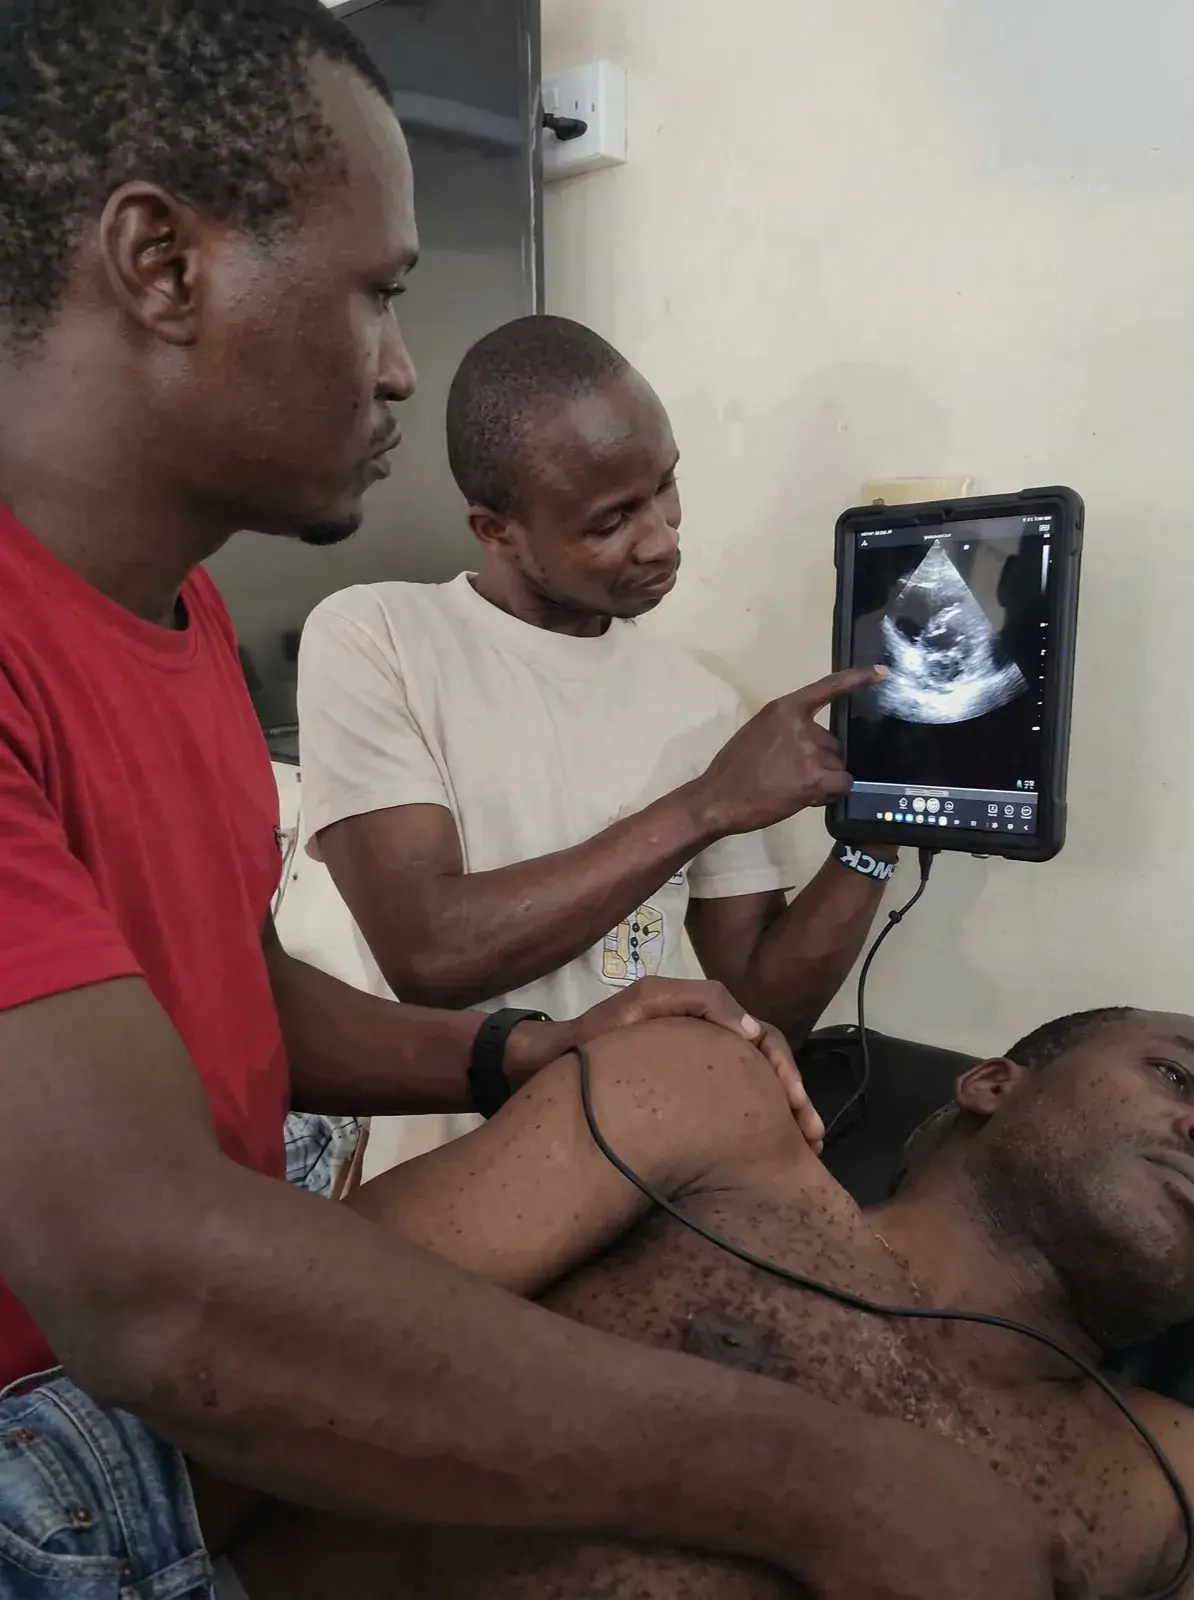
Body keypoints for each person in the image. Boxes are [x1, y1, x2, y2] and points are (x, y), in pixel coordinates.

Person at [0, 4, 1077, 1599]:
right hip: (55, 1434)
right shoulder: (364, 636)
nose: (397, 365)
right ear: (163, 265)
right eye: (377, 292)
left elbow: (234, 993)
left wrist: (520, 1050)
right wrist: (818, 1483)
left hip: (201, 1309)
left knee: (691, 1081)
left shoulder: (188, 618)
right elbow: (155, 1282)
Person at [225, 1006, 1194, 1599]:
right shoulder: (704, 1108)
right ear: (993, 1083)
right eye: (1175, 1074)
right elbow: (255, 1355)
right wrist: (805, 1485)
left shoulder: (1171, 1481)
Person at [297, 316, 897, 1106]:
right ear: (496, 531)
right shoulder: (380, 638)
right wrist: (707, 805)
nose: (662, 540)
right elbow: (430, 955)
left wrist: (876, 831)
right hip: (454, 1167)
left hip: (646, 1155)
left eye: (665, 486)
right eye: (612, 521)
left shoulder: (703, 702)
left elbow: (762, 1010)